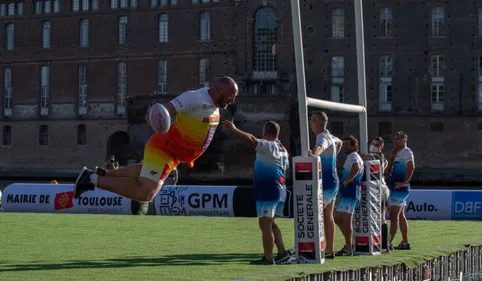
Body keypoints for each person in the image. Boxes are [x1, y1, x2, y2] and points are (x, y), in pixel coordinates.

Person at [72, 76, 239, 202]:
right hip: (163, 149)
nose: (232, 101)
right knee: (146, 193)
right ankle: (91, 180)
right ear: (219, 90)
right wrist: (152, 116)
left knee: (143, 172)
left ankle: (106, 173)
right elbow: (165, 111)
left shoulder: (215, 105)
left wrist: (176, 162)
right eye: (231, 96)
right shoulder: (194, 98)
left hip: (173, 156)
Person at [222, 119, 290, 265]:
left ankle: (268, 258)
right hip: (279, 190)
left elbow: (252, 141)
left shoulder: (269, 146)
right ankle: (283, 253)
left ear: (266, 132)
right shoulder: (283, 149)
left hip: (268, 190)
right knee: (269, 224)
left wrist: (234, 130)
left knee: (265, 224)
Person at [307, 112, 342, 259]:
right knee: (328, 216)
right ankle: (329, 248)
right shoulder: (331, 136)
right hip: (333, 180)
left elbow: (321, 146)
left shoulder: (322, 137)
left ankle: (316, 246)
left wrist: (314, 155)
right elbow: (339, 142)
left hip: (326, 183)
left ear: (316, 121)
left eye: (311, 120)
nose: (309, 123)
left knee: (318, 215)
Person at [334, 135, 363, 256]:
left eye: (347, 145)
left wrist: (347, 181)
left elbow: (356, 167)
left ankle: (349, 247)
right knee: (337, 218)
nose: (344, 147)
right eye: (344, 144)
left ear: (354, 146)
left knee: (346, 220)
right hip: (348, 192)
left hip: (351, 191)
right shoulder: (351, 157)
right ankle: (349, 244)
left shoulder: (353, 156)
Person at [361, 137, 391, 253]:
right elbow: (386, 164)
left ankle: (384, 245)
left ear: (381, 147)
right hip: (379, 187)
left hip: (381, 189)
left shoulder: (378, 156)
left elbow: (367, 158)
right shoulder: (383, 159)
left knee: (381, 217)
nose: (373, 146)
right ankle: (383, 244)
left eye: (376, 144)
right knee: (380, 216)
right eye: (373, 143)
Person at [386, 131, 415, 250]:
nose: (396, 141)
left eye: (398, 139)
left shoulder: (406, 152)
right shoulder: (396, 152)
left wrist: (404, 182)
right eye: (395, 139)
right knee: (401, 215)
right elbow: (388, 170)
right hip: (394, 187)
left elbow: (411, 166)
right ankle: (405, 242)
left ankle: (388, 243)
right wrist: (391, 158)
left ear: (404, 141)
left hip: (400, 188)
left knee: (394, 215)